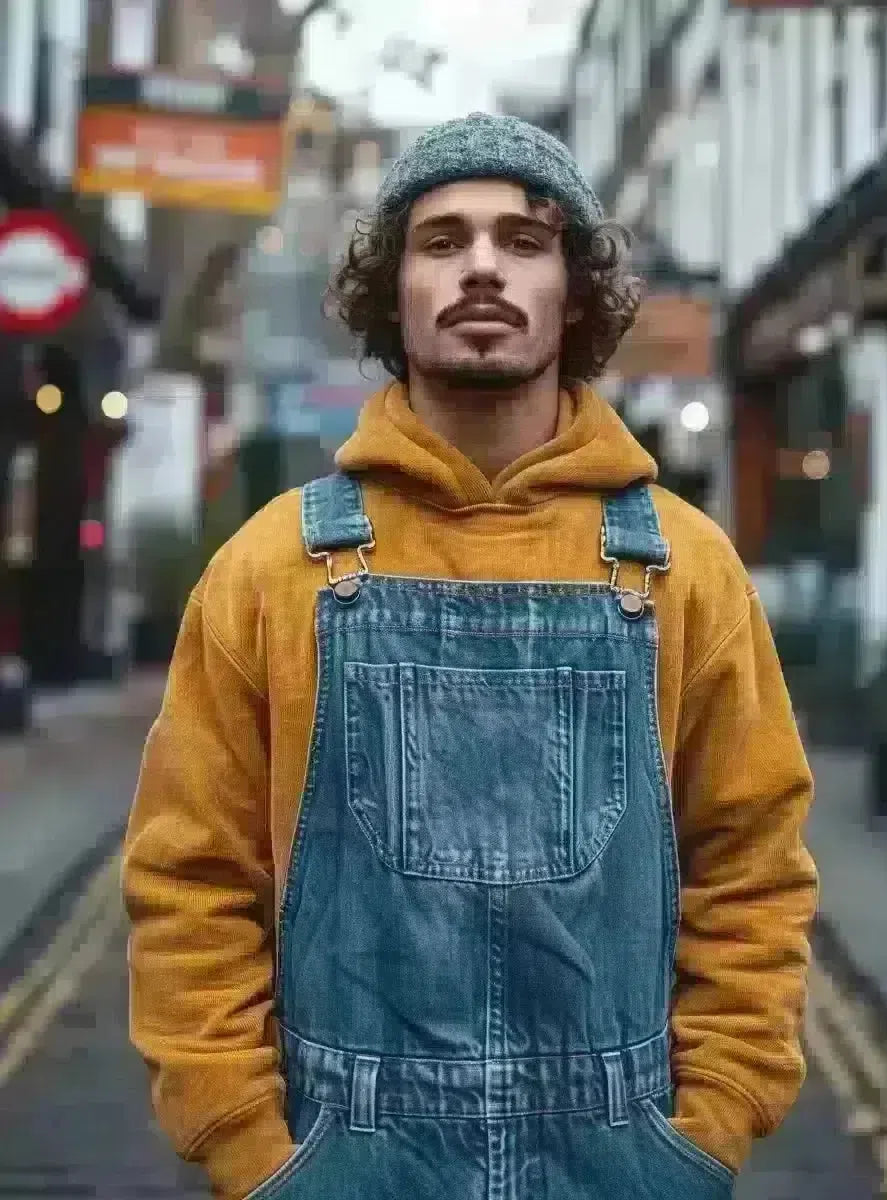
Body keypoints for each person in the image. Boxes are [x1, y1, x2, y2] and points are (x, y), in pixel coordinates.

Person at [123, 113, 818, 1200]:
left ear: (575, 290)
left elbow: (754, 869)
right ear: (389, 291)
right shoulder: (271, 570)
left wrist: (712, 1123)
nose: (482, 267)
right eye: (442, 241)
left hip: (623, 1167)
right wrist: (248, 1149)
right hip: (334, 1163)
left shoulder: (687, 570)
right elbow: (189, 881)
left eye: (523, 240)